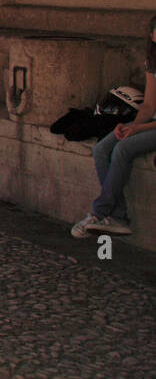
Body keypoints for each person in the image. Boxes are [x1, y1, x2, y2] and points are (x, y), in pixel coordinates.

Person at [72, 15, 156, 238]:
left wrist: (136, 131)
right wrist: (131, 127)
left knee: (123, 149)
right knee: (102, 149)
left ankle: (101, 213)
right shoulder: (153, 60)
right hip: (149, 122)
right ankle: (118, 217)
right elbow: (148, 105)